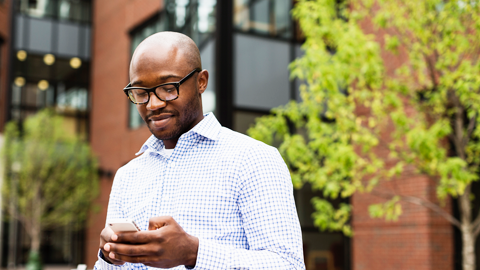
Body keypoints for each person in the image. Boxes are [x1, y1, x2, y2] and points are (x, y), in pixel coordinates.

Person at [94, 31, 305, 270]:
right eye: (141, 93)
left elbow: (288, 265)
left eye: (168, 87)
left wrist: (193, 253)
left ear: (201, 82)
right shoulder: (127, 176)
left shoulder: (254, 159)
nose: (153, 104)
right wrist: (110, 258)